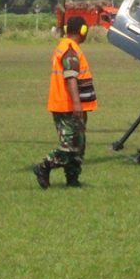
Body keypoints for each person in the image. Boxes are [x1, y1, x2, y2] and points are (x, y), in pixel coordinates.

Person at [34, 16, 97, 188]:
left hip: (71, 105)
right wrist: (77, 104)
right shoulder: (69, 49)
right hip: (67, 106)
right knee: (69, 146)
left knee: (79, 145)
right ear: (82, 31)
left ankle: (73, 179)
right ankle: (44, 166)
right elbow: (71, 78)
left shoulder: (68, 47)